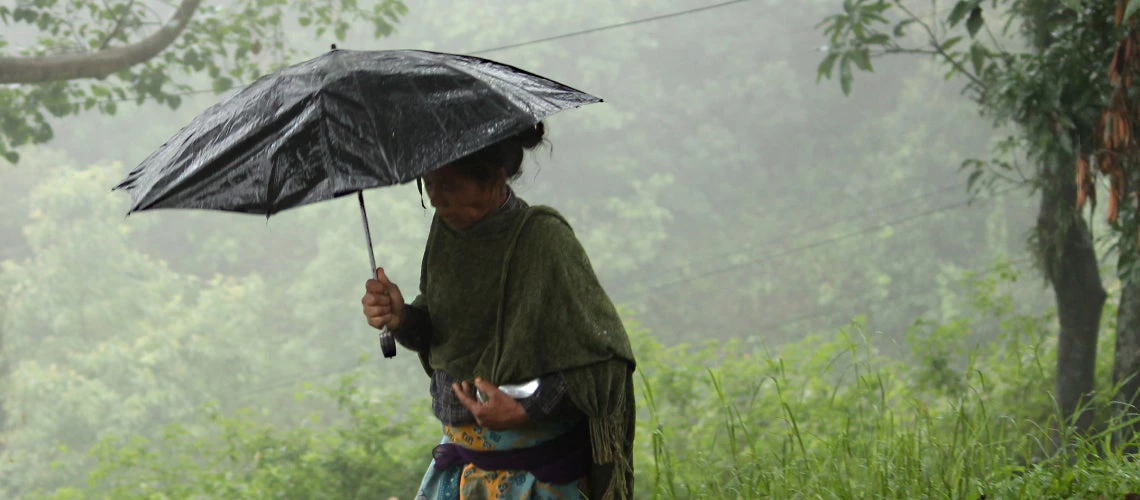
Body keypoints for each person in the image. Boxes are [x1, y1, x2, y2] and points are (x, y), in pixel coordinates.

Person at [361, 122, 637, 500]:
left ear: (494, 177)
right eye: (428, 184)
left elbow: (603, 363)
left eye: (450, 186)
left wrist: (525, 410)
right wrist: (401, 318)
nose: (437, 200)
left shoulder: (543, 240)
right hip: (463, 473)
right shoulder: (446, 234)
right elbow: (441, 331)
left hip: (536, 480)